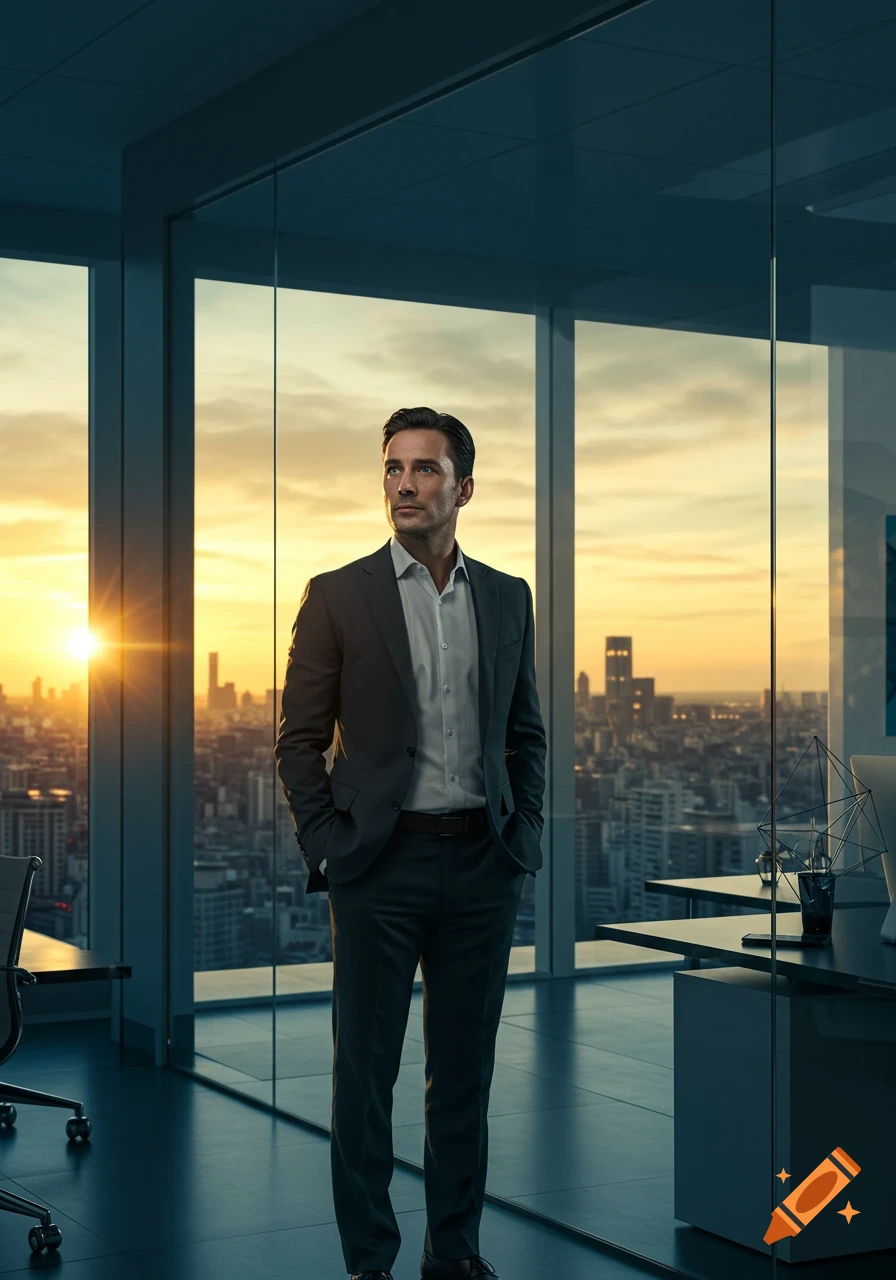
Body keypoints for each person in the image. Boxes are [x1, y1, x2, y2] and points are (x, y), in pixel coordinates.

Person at [275, 406, 546, 1280]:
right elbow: (297, 740)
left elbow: (525, 733)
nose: (404, 484)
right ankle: (370, 1262)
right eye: (393, 468)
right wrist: (329, 845)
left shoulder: (507, 597)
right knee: (366, 1079)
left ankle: (454, 1252)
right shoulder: (337, 594)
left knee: (462, 1076)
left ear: (462, 487)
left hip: (481, 863)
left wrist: (524, 835)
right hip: (377, 868)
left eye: (424, 470)